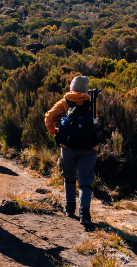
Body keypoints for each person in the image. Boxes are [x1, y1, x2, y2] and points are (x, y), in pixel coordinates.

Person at [44, 75, 97, 229]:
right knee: (86, 181)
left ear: (72, 87)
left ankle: (69, 209)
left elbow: (48, 118)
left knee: (69, 177)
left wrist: (56, 133)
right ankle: (84, 214)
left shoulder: (64, 102)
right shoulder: (92, 102)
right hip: (89, 148)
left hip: (67, 147)